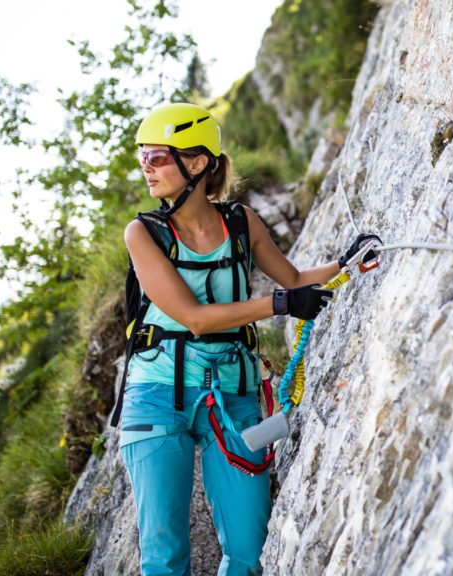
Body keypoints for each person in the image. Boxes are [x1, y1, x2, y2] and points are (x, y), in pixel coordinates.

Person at [117, 102, 377, 575]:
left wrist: (347, 264)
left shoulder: (241, 222)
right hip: (155, 396)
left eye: (156, 157)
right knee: (164, 556)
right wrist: (276, 305)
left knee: (249, 551)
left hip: (232, 393)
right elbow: (194, 317)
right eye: (143, 158)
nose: (146, 168)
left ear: (196, 163)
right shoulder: (144, 233)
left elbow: (294, 277)